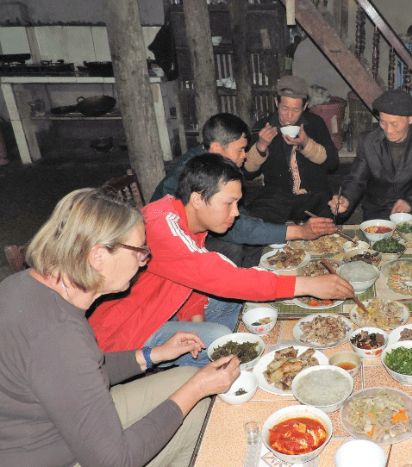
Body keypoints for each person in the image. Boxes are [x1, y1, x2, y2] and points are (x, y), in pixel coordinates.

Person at [0, 187, 239, 466]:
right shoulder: (58, 334)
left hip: (59, 421)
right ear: (98, 256)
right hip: (52, 454)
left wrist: (152, 354)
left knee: (186, 379)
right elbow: (115, 461)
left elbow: (81, 370)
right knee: (194, 400)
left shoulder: (27, 284)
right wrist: (197, 388)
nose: (143, 261)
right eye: (139, 250)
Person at [89, 153, 353, 367]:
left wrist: (194, 318)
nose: (236, 213)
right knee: (220, 336)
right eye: (229, 203)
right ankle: (209, 367)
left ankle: (215, 358)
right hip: (129, 332)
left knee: (236, 301)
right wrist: (307, 284)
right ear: (197, 199)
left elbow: (188, 278)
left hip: (163, 309)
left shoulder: (189, 220)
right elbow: (219, 276)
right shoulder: (162, 224)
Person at [151, 113, 337, 267]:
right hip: (169, 246)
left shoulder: (213, 161)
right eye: (240, 150)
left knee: (258, 234)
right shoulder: (198, 173)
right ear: (216, 148)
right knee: (234, 247)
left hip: (197, 232)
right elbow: (235, 228)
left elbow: (237, 213)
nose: (245, 155)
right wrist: (298, 232)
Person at [329, 89, 412, 222]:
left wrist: (411, 202)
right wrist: (345, 199)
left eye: (394, 124)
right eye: (383, 122)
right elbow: (356, 180)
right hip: (379, 209)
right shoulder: (368, 141)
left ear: (411, 118)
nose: (388, 130)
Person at [243, 75, 339, 223]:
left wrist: (307, 144)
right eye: (285, 108)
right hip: (277, 198)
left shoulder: (315, 123)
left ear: (305, 107)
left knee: (328, 223)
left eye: (296, 110)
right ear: (276, 103)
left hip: (314, 196)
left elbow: (332, 163)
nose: (289, 115)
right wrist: (260, 146)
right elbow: (248, 173)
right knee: (252, 222)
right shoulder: (263, 126)